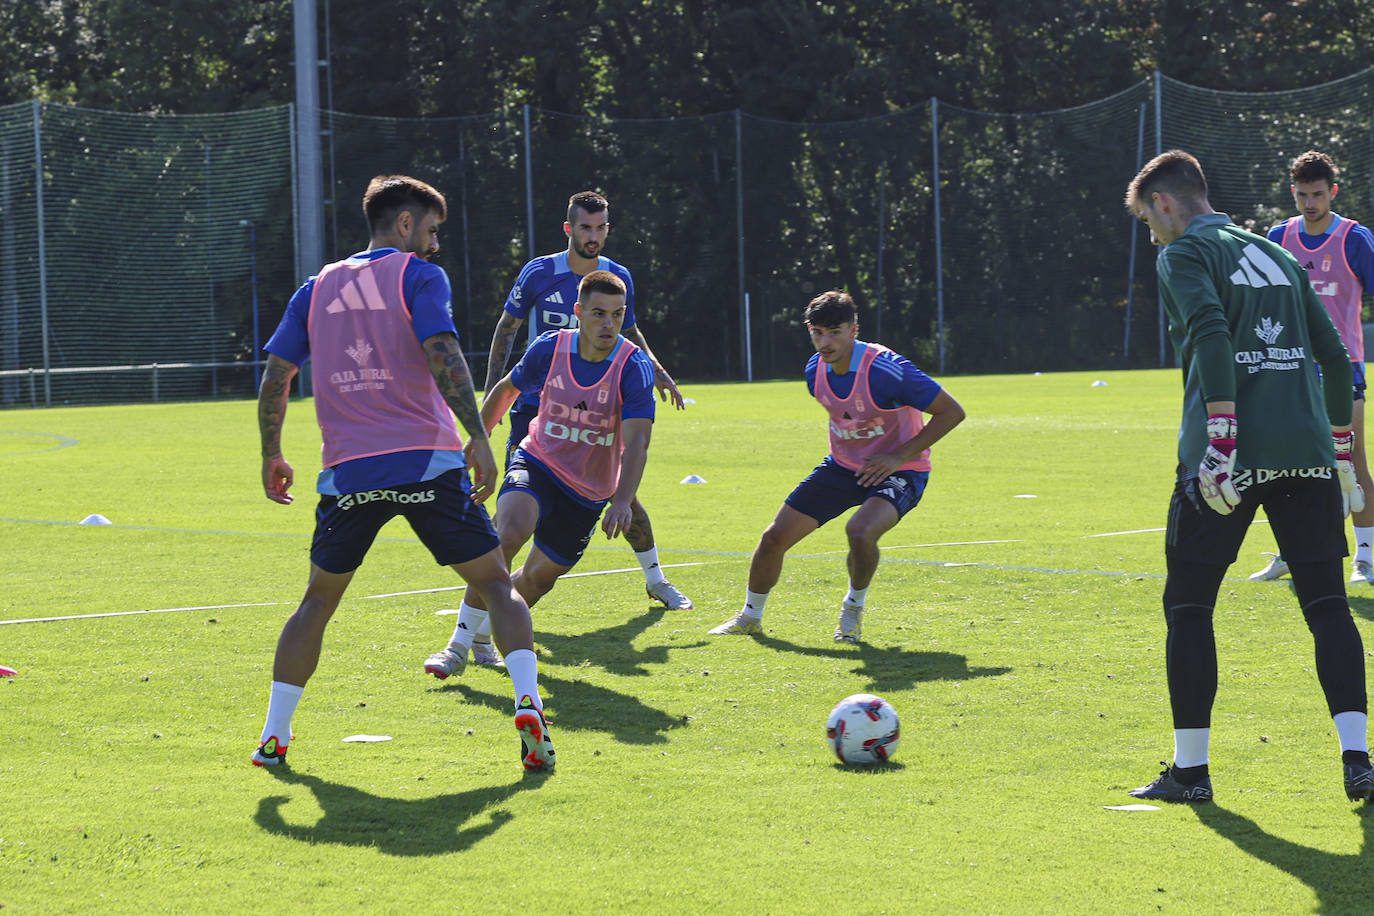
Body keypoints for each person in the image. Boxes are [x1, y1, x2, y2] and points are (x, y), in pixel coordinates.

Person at [253, 175, 553, 772]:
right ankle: (528, 703)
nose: (436, 244)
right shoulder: (417, 275)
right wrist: (476, 434)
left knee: (315, 602)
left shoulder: (314, 288)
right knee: (496, 585)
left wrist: (272, 453)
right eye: (433, 230)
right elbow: (443, 352)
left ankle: (273, 737)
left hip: (347, 473)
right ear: (406, 224)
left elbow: (276, 377)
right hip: (426, 462)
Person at [1123, 149, 1371, 804]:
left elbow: (1209, 331)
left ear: (1167, 203)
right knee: (1327, 607)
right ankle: (1359, 760)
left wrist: (1223, 438)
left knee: (1188, 605)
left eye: (1148, 218)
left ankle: (1191, 772)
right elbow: (1337, 354)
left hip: (1225, 462)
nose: (1150, 234)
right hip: (1306, 452)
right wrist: (1341, 446)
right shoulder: (1278, 252)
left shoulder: (1182, 255)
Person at [475, 191, 691, 650]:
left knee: (621, 492)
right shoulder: (538, 272)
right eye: (586, 228)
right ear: (569, 229)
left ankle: (655, 576)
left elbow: (630, 334)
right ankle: (468, 634)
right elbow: (507, 328)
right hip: (537, 406)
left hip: (596, 405)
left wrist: (661, 375)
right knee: (515, 518)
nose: (594, 236)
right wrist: (490, 399)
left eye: (602, 228)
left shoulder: (616, 278)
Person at [424, 270, 657, 678]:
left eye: (618, 315)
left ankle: (482, 635)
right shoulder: (550, 349)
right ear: (578, 312)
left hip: (589, 491)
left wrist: (621, 500)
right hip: (539, 462)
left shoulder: (632, 366)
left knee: (536, 579)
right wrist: (479, 439)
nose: (609, 324)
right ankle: (457, 646)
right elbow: (506, 390)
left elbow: (637, 441)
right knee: (508, 531)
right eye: (599, 314)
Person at [708, 290, 965, 642]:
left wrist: (897, 457)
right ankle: (749, 618)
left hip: (900, 470)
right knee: (773, 539)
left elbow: (952, 411)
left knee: (860, 531)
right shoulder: (815, 371)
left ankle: (852, 609)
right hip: (844, 467)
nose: (824, 342)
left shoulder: (887, 370)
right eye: (817, 333)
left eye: (834, 332)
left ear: (854, 330)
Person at [1249, 151, 1374, 585]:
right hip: (1288, 365)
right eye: (1302, 195)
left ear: (1333, 192)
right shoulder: (1278, 236)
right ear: (1293, 192)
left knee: (1351, 460)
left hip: (1344, 367)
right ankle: (1291, 552)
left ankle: (1367, 557)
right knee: (1289, 465)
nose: (1309, 203)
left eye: (1317, 194)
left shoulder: (1354, 239)